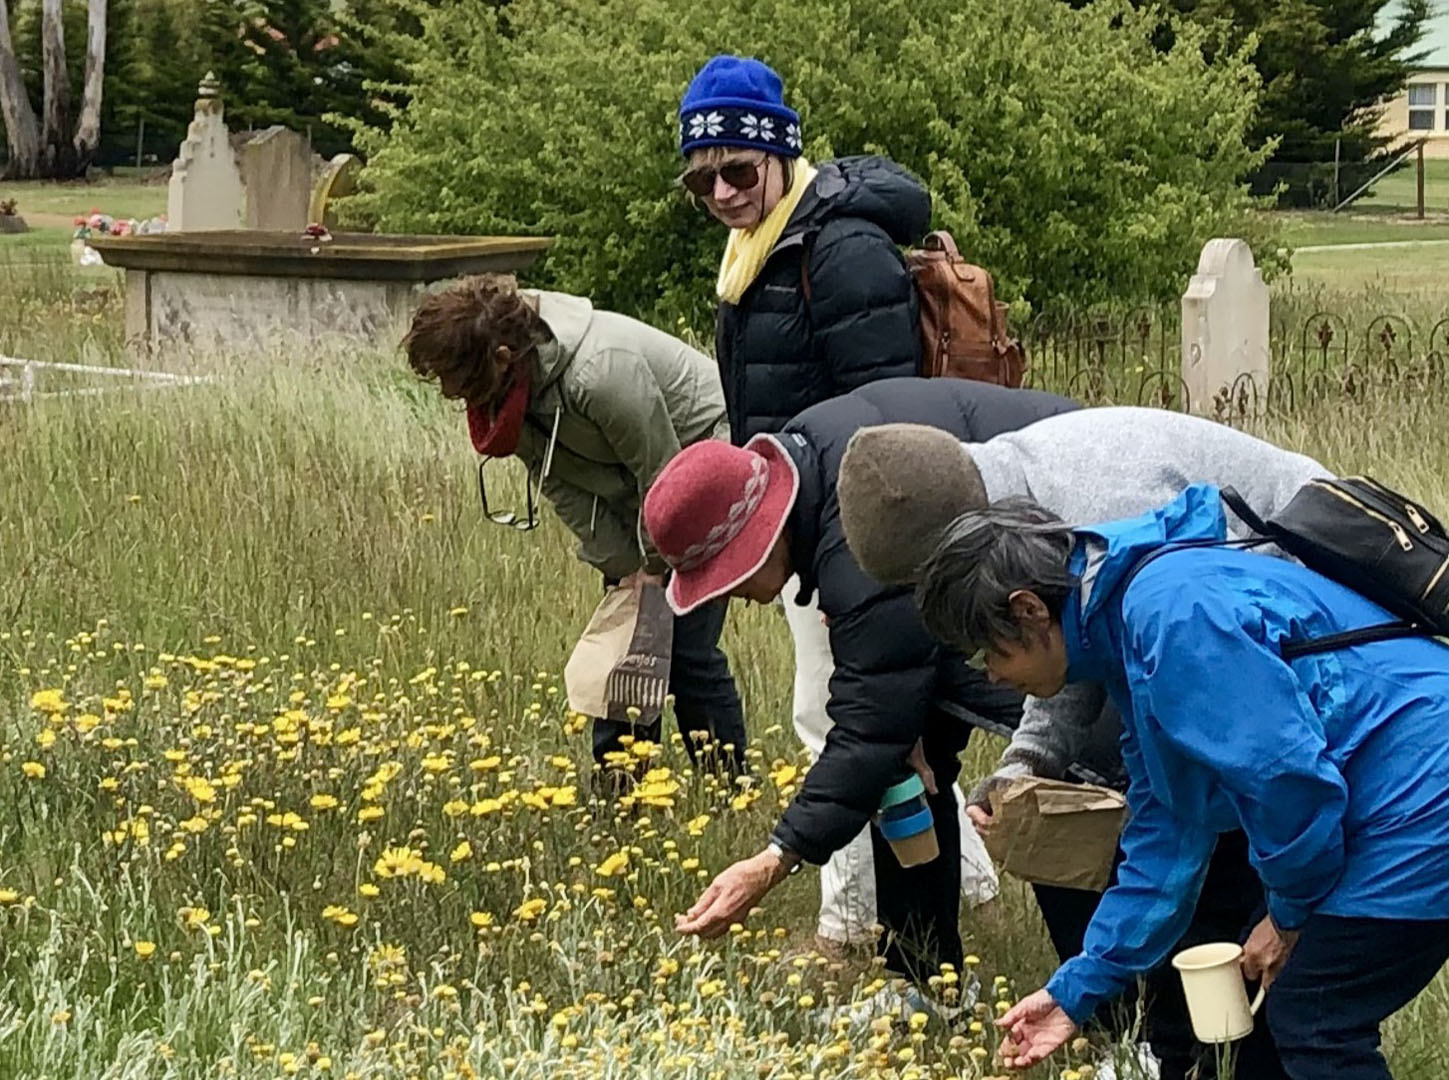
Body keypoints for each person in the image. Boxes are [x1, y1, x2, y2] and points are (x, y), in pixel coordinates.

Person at [836, 408, 1328, 1077]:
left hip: (1307, 617)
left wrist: (1288, 910)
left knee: (1299, 1000)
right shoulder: (1044, 547)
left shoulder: (1110, 530)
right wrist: (1027, 763)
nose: (986, 668)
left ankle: (1214, 1042)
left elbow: (1260, 750)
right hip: (1249, 679)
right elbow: (1072, 654)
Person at [915, 486, 1449, 1080]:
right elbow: (1168, 833)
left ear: (1029, 611)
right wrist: (1077, 989)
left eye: (985, 653)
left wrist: (1289, 916)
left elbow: (1285, 784)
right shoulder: (1128, 629)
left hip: (1424, 785)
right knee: (1305, 1015)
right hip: (1403, 784)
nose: (989, 674)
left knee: (1315, 1019)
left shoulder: (1172, 617)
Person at [643, 377, 1075, 992]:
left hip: (1068, 538)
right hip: (1016, 541)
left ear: (755, 540)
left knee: (1072, 779)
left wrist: (775, 858)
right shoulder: (811, 464)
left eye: (725, 579)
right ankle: (927, 983)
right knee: (906, 769)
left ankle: (1115, 1006)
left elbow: (872, 724)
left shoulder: (859, 537)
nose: (733, 598)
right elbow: (888, 710)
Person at [677, 52, 944, 952]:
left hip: (859, 519)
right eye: (701, 179)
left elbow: (887, 413)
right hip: (797, 511)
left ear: (781, 155)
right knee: (875, 725)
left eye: (736, 170)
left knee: (850, 721)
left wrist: (853, 556)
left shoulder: (839, 249)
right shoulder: (758, 249)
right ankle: (946, 899)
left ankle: (857, 926)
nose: (720, 192)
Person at [403, 274, 747, 780]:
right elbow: (562, 489)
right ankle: (621, 793)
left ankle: (727, 786)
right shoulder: (508, 397)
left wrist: (655, 567)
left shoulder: (599, 372)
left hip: (703, 469)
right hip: (644, 493)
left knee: (687, 651)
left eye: (454, 376)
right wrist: (627, 570)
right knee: (627, 641)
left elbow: (663, 471)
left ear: (502, 357)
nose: (450, 391)